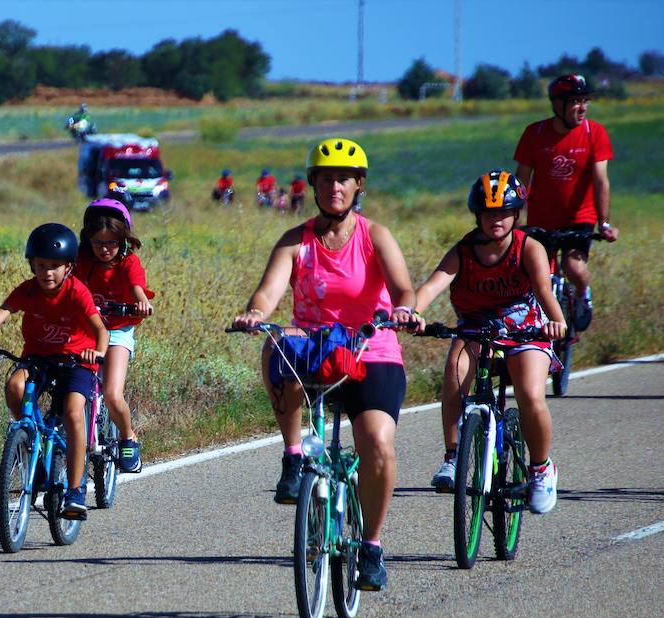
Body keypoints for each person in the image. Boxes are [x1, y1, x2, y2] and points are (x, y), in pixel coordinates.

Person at [231, 138, 417, 591]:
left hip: (370, 348)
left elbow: (403, 290)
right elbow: (268, 292)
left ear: (358, 186)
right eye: (326, 177)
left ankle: (371, 545)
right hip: (317, 348)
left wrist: (404, 311)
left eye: (344, 179)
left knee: (375, 442)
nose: (335, 186)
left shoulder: (375, 236)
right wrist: (256, 314)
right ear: (313, 183)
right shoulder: (297, 241)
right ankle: (293, 457)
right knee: (277, 342)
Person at [414, 170, 567, 512]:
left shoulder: (529, 247)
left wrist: (557, 321)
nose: (495, 219)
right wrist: (409, 311)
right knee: (455, 369)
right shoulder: (464, 251)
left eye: (503, 212)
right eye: (488, 212)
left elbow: (543, 290)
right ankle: (453, 456)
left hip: (525, 331)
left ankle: (541, 468)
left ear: (516, 214)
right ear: (477, 214)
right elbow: (432, 285)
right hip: (477, 330)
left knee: (529, 393)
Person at [0, 224, 109, 520]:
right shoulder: (27, 290)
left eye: (55, 266)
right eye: (41, 265)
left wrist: (99, 351)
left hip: (77, 360)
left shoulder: (77, 292)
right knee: (14, 386)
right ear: (32, 264)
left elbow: (100, 329)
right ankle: (31, 444)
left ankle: (75, 489)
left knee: (73, 412)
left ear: (68, 267)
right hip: (38, 359)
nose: (47, 273)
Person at [513, 73, 618, 331]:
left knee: (573, 266)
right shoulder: (534, 133)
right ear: (557, 104)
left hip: (579, 219)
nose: (582, 108)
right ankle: (551, 338)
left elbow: (600, 181)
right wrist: (511, 222)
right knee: (543, 278)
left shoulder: (595, 133)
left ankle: (583, 294)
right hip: (541, 220)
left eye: (585, 101)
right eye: (575, 102)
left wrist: (603, 223)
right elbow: (521, 181)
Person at [75, 198, 154, 473]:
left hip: (118, 330)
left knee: (111, 393)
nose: (105, 249)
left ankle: (127, 436)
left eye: (111, 243)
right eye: (98, 243)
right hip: (86, 332)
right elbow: (72, 285)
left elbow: (137, 288)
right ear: (88, 240)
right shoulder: (83, 261)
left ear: (123, 240)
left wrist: (142, 302)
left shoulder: (129, 262)